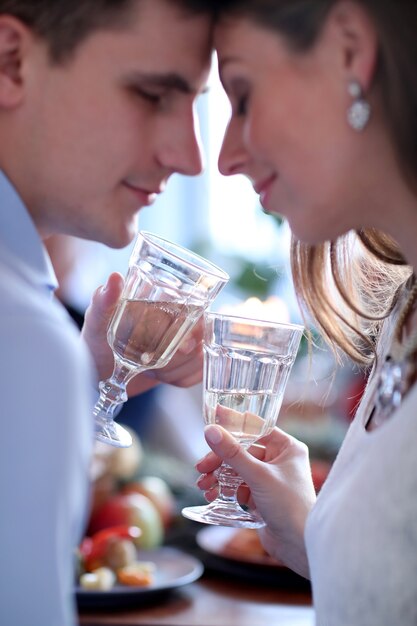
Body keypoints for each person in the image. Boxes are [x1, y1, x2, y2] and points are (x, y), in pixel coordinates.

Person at [191, 2, 417, 624]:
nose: (223, 157)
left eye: (242, 97)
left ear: (350, 52)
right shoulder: (405, 316)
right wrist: (313, 534)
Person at [0, 1, 214, 624]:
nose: (190, 157)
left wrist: (82, 382)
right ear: (12, 61)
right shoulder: (25, 337)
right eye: (153, 95)